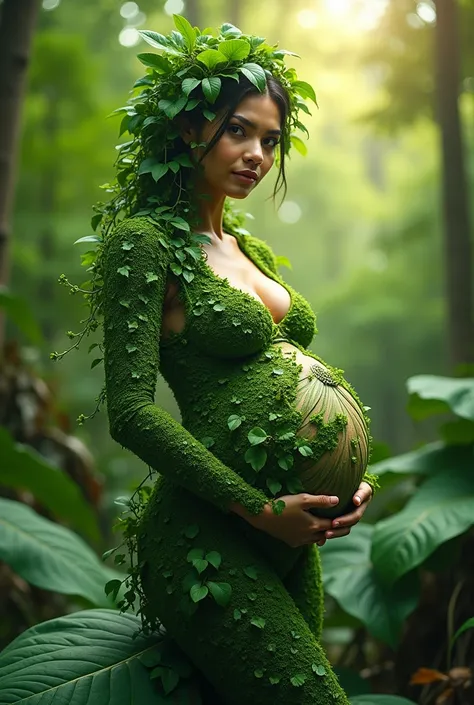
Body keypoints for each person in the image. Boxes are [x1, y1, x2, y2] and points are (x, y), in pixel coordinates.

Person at [100, 17, 378, 705]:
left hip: (291, 537)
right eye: (238, 130)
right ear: (189, 129)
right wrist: (256, 507)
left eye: (270, 139)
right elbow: (131, 413)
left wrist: (342, 480)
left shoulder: (243, 248)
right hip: (208, 538)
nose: (257, 152)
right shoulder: (144, 244)